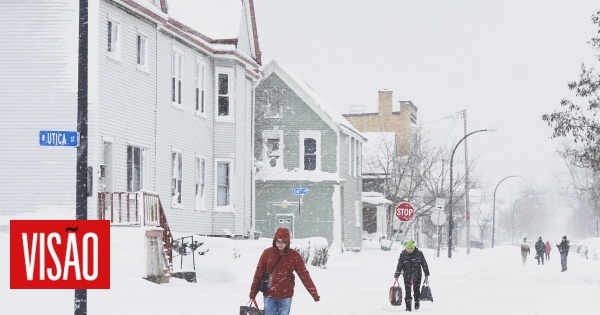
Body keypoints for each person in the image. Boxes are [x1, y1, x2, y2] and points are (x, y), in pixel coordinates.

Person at [249, 227, 320, 315]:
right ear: (274, 241)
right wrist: (253, 293)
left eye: (283, 242)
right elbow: (258, 274)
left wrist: (314, 294)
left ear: (287, 242)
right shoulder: (267, 253)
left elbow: (304, 276)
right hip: (269, 294)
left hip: (286, 296)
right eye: (278, 241)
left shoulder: (294, 256)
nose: (280, 244)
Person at [394, 240, 430, 312]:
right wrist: (397, 275)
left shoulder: (419, 253)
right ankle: (408, 307)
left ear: (413, 247)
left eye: (411, 248)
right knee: (408, 291)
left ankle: (417, 302)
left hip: (417, 275)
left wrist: (426, 273)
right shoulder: (403, 254)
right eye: (408, 248)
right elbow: (399, 265)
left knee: (416, 290)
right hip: (407, 276)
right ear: (406, 248)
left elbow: (424, 263)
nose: (409, 250)